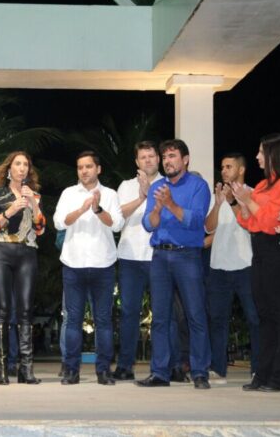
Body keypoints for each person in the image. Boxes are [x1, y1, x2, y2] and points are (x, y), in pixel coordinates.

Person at [136, 139, 211, 389]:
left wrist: (170, 204)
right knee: (159, 318)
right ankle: (160, 372)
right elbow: (149, 224)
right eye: (164, 156)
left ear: (185, 159)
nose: (167, 161)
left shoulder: (198, 186)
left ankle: (200, 372)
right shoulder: (157, 186)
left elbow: (196, 220)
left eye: (172, 156)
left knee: (195, 315)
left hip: (187, 256)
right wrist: (157, 207)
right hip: (160, 257)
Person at [233, 133, 280, 393]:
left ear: (274, 154)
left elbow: (272, 223)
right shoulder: (262, 185)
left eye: (262, 152)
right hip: (261, 247)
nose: (258, 157)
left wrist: (248, 202)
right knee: (264, 313)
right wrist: (244, 203)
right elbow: (249, 222)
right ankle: (263, 374)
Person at [53, 151, 124, 386]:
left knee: (103, 320)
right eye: (80, 167)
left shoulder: (111, 194)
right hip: (73, 264)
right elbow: (59, 222)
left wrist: (97, 209)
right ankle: (71, 370)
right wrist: (83, 209)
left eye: (88, 166)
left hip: (103, 265)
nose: (84, 171)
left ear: (98, 169)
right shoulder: (68, 193)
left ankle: (103, 371)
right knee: (72, 319)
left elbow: (117, 225)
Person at [0, 152, 46, 385]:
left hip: (27, 252)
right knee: (2, 310)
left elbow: (40, 229)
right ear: (9, 169)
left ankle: (26, 369)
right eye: (17, 164)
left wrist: (33, 205)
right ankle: (1, 370)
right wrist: (9, 211)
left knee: (26, 310)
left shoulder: (35, 195)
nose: (22, 168)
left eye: (26, 165)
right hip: (1, 251)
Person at [203, 152, 259, 384]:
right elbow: (208, 228)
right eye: (222, 167)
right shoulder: (217, 196)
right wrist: (218, 204)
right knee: (217, 319)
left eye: (229, 166)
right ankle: (218, 369)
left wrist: (234, 201)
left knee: (254, 318)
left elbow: (252, 224)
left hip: (246, 264)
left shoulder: (253, 193)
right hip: (218, 265)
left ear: (241, 170)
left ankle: (258, 368)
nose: (224, 170)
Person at [113, 141, 164, 381]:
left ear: (159, 159)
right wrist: (142, 196)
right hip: (129, 258)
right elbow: (118, 215)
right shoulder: (126, 185)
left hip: (159, 257)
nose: (148, 160)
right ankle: (125, 365)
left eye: (151, 156)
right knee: (129, 313)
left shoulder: (168, 184)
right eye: (143, 157)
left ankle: (164, 367)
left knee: (163, 314)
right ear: (136, 162)